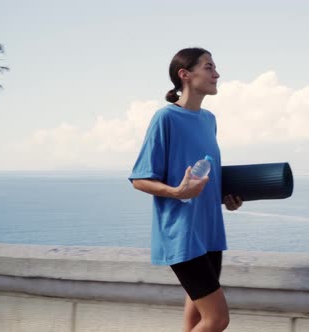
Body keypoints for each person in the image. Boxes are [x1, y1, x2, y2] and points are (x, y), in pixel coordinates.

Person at [129, 47, 242, 332]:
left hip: (209, 233)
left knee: (194, 322)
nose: (216, 73)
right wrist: (177, 192)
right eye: (208, 67)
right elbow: (140, 178)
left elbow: (204, 177)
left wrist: (226, 197)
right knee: (217, 319)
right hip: (181, 235)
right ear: (185, 75)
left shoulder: (209, 120)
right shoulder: (165, 118)